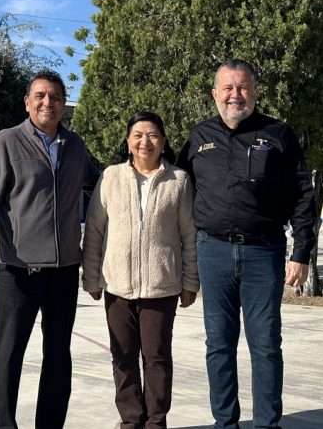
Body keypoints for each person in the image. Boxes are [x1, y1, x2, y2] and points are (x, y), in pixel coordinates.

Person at [176, 59, 317, 428]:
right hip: (213, 252)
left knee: (266, 345)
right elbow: (177, 189)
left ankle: (267, 424)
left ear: (254, 92)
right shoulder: (198, 137)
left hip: (263, 252)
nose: (235, 95)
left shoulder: (278, 134)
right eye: (228, 88)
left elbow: (303, 195)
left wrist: (301, 251)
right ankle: (226, 423)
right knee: (218, 346)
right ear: (214, 94)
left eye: (242, 88)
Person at [0, 69, 95, 429]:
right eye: (40, 95)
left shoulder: (76, 146)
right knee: (7, 357)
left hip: (64, 270)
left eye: (55, 96)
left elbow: (100, 186)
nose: (47, 102)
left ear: (64, 104)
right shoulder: (6, 142)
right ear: (27, 102)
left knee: (57, 357)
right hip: (16, 270)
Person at [82, 111, 199, 429]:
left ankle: (155, 421)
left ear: (163, 142)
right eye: (138, 135)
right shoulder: (111, 177)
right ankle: (131, 420)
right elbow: (94, 230)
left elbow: (189, 235)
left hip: (162, 288)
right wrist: (91, 276)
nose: (145, 141)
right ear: (128, 141)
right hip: (117, 286)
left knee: (157, 358)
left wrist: (190, 281)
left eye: (152, 135)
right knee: (122, 357)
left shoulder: (178, 181)